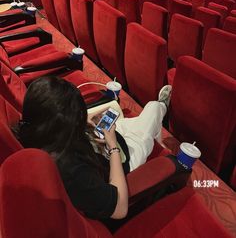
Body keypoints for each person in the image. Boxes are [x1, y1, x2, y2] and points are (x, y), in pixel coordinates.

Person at [14, 76, 171, 222]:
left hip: (99, 142)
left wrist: (85, 123)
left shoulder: (28, 132)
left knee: (128, 120)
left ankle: (154, 136)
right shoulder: (73, 173)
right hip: (121, 158)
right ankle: (162, 107)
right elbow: (119, 209)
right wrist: (113, 146)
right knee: (153, 109)